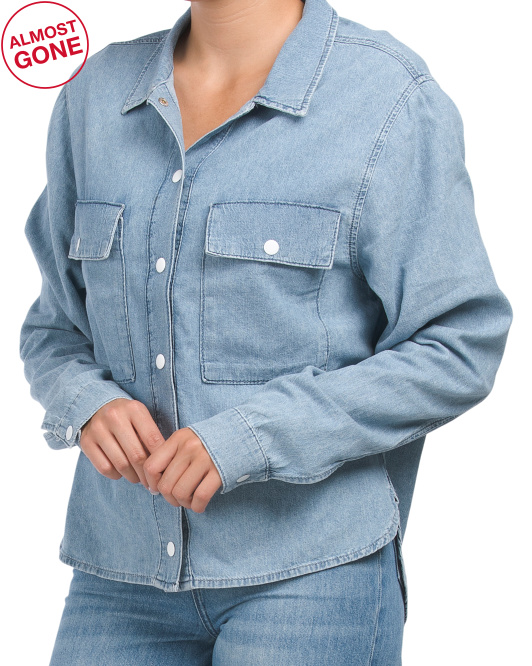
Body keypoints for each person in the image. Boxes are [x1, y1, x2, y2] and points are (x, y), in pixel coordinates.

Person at [19, 0, 513, 664]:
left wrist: (256, 437)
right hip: (120, 572)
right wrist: (87, 401)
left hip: (311, 576)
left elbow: (459, 342)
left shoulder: (386, 96)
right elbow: (54, 327)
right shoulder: (93, 96)